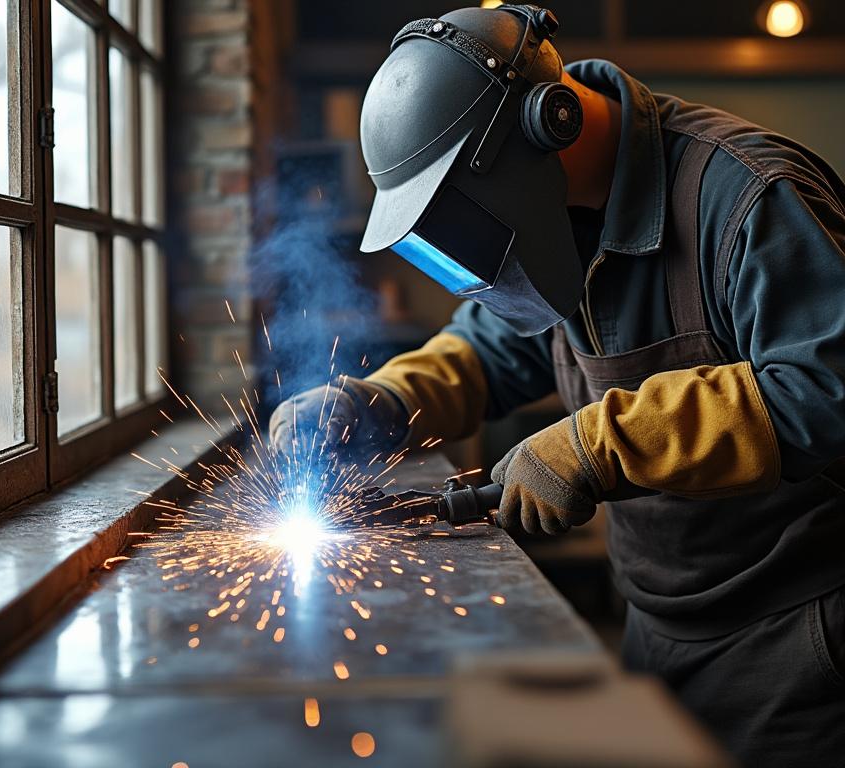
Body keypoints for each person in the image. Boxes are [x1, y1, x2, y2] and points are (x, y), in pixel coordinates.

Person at [268, 4, 845, 766]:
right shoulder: (558, 218)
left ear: (551, 124)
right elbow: (492, 348)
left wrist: (601, 444)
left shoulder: (748, 198)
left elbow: (824, 390)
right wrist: (380, 400)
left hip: (799, 635)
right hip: (658, 620)